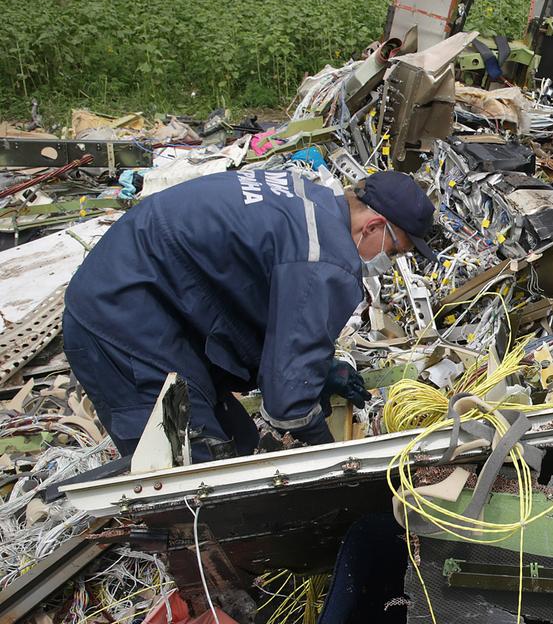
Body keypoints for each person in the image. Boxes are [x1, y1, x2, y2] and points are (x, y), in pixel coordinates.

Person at [63, 169, 436, 461]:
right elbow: (287, 405)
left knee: (238, 445)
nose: (390, 262)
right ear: (373, 226)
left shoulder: (310, 202)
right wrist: (331, 456)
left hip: (154, 296)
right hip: (121, 317)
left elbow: (274, 313)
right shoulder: (326, 259)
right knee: (194, 478)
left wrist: (318, 371)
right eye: (396, 249)